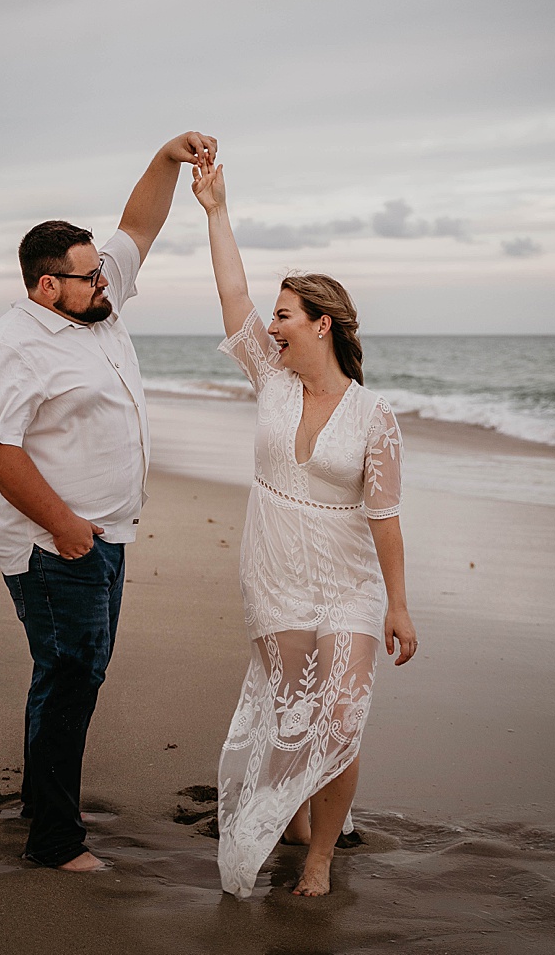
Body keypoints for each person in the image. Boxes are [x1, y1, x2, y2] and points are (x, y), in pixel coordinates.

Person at [0, 131, 216, 872]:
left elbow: (139, 225)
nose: (106, 280)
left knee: (69, 673)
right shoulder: (10, 348)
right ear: (48, 286)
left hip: (106, 535)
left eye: (102, 270)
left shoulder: (96, 304)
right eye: (89, 275)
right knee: (71, 676)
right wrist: (67, 526)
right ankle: (55, 841)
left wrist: (167, 157)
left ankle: (40, 804)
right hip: (54, 545)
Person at [189, 156, 418, 898]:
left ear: (322, 324)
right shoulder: (272, 379)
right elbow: (232, 293)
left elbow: (385, 519)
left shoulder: (375, 416)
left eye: (284, 315)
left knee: (340, 717)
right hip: (275, 575)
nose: (272, 325)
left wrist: (398, 603)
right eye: (274, 315)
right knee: (292, 715)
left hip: (348, 582)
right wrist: (216, 209)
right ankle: (293, 817)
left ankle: (320, 855)